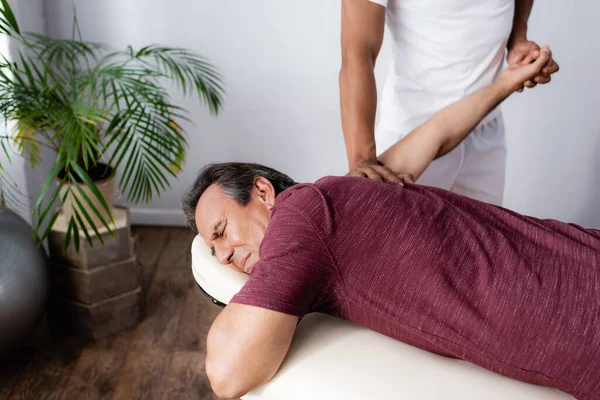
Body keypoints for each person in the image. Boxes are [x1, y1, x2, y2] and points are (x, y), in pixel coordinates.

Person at [183, 48, 600, 400]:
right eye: (215, 251)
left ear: (262, 192)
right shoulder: (345, 192)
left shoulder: (298, 224)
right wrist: (509, 81)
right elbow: (436, 134)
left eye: (220, 231)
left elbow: (227, 373)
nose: (223, 256)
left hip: (582, 319)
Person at [340, 0, 559, 205]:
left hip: (486, 130)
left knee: (481, 245)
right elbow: (358, 51)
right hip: (412, 140)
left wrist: (517, 36)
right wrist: (362, 160)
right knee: (405, 244)